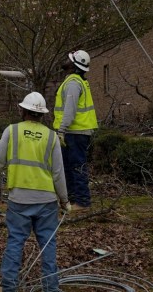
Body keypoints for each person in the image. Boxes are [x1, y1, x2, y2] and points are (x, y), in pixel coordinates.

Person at [0, 92, 70, 292]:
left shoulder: (12, 131)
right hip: (46, 201)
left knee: (15, 242)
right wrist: (64, 200)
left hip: (19, 200)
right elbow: (58, 172)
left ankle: (9, 287)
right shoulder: (51, 137)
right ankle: (51, 288)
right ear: (42, 114)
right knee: (48, 245)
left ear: (23, 110)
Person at [53, 50, 98, 211]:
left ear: (74, 65)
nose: (67, 60)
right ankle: (72, 200)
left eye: (70, 59)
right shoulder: (75, 81)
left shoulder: (72, 83)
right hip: (75, 132)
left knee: (77, 166)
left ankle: (82, 202)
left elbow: (69, 111)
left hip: (75, 132)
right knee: (68, 167)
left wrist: (61, 130)